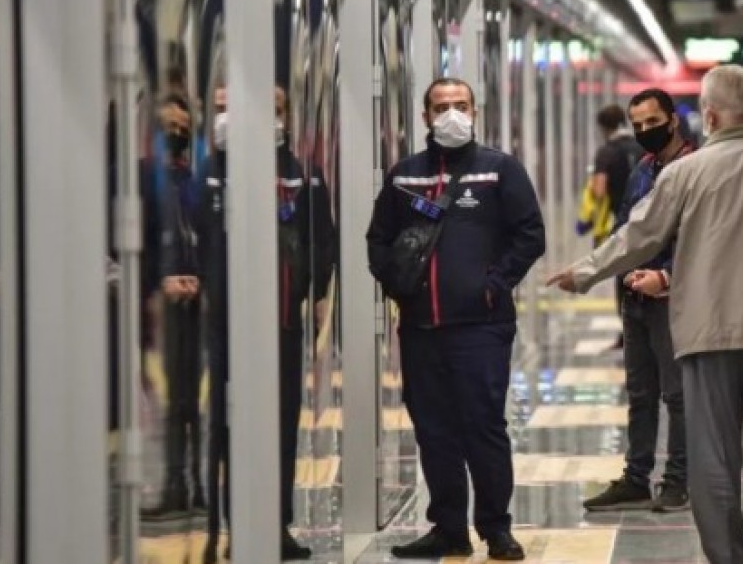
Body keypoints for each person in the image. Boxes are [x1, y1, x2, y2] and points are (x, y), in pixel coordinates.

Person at [549, 65, 743, 564]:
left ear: (707, 114)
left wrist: (584, 272)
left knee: (713, 457)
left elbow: (637, 235)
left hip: (705, 336)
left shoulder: (684, 172)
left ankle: (727, 555)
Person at [367, 77, 545, 561]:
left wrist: (494, 283)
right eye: (441, 106)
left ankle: (496, 528)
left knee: (483, 427)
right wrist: (397, 287)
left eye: (460, 105)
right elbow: (378, 239)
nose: (451, 114)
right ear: (424, 115)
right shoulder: (405, 177)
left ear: (475, 111)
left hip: (482, 328)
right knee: (434, 430)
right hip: (421, 329)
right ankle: (448, 528)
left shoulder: (499, 171)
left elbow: (530, 235)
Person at [200, 85, 335, 562]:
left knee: (281, 425)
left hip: (281, 324)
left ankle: (274, 526)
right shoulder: (215, 172)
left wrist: (318, 295)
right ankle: (231, 526)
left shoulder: (300, 177)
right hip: (226, 328)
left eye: (273, 110)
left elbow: (323, 239)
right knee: (229, 427)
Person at [582, 88, 692, 515]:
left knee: (677, 394)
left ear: (673, 119)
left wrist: (663, 276)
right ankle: (636, 477)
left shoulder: (692, 168)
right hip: (634, 296)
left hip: (670, 298)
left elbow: (698, 237)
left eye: (653, 121)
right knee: (640, 392)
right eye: (639, 123)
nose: (647, 130)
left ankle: (678, 481)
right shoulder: (643, 168)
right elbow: (628, 228)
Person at [141, 94, 205, 519]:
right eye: (169, 127)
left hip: (202, 299)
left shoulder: (200, 177)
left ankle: (199, 484)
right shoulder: (145, 178)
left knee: (197, 399)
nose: (176, 134)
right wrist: (158, 282)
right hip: (160, 304)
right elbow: (138, 236)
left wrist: (201, 277)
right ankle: (172, 484)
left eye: (182, 127)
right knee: (170, 400)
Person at [590, 105, 642, 347]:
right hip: (647, 221)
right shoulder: (640, 146)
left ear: (603, 127)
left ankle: (627, 332)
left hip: (620, 224)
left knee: (623, 275)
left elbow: (599, 190)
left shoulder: (606, 152)